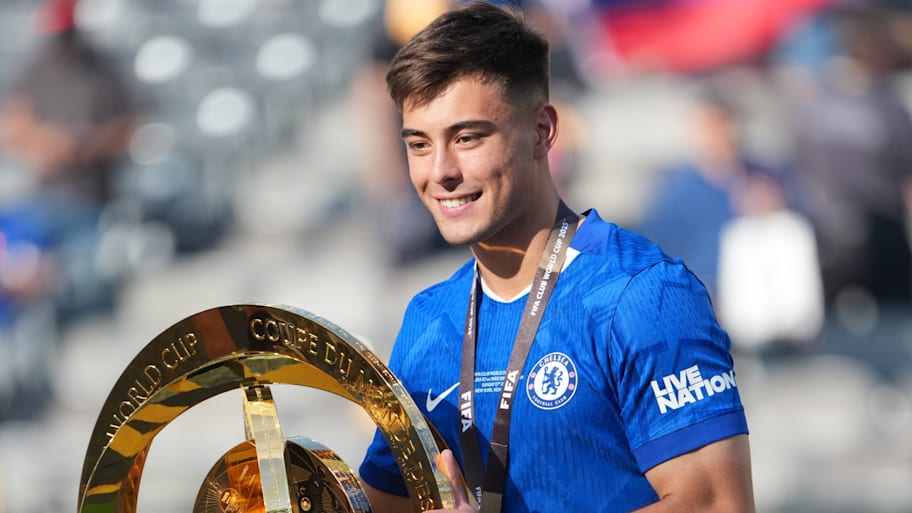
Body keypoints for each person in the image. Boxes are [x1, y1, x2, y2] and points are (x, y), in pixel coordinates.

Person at [357, 2, 755, 512]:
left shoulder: (644, 295)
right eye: (418, 144)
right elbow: (388, 505)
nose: (441, 171)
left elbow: (718, 506)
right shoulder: (427, 319)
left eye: (468, 138)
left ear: (543, 131)